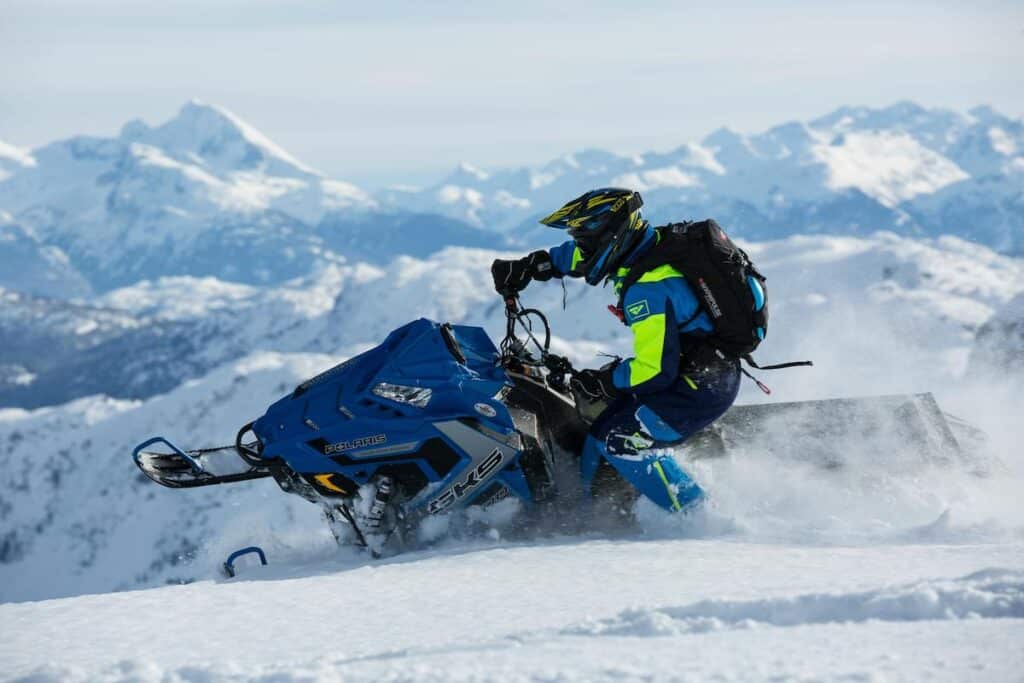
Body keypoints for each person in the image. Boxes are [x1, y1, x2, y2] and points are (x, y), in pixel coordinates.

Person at [491, 188, 741, 512]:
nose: (581, 246)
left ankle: (698, 517)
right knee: (601, 429)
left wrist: (605, 382)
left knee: (619, 439)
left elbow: (653, 370)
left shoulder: (647, 290)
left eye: (584, 237)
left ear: (609, 234)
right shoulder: (648, 249)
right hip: (697, 371)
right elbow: (583, 256)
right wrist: (533, 265)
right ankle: (607, 516)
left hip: (699, 386)